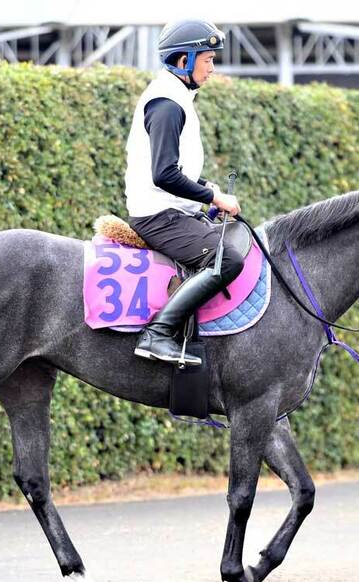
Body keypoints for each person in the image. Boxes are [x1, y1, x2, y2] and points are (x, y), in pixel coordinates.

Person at [125, 20, 244, 367]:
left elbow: (177, 171)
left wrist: (206, 188)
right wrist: (213, 198)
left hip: (168, 209)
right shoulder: (167, 104)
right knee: (227, 259)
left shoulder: (176, 96)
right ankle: (157, 334)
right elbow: (163, 175)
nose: (212, 69)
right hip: (157, 216)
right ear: (183, 62)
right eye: (207, 60)